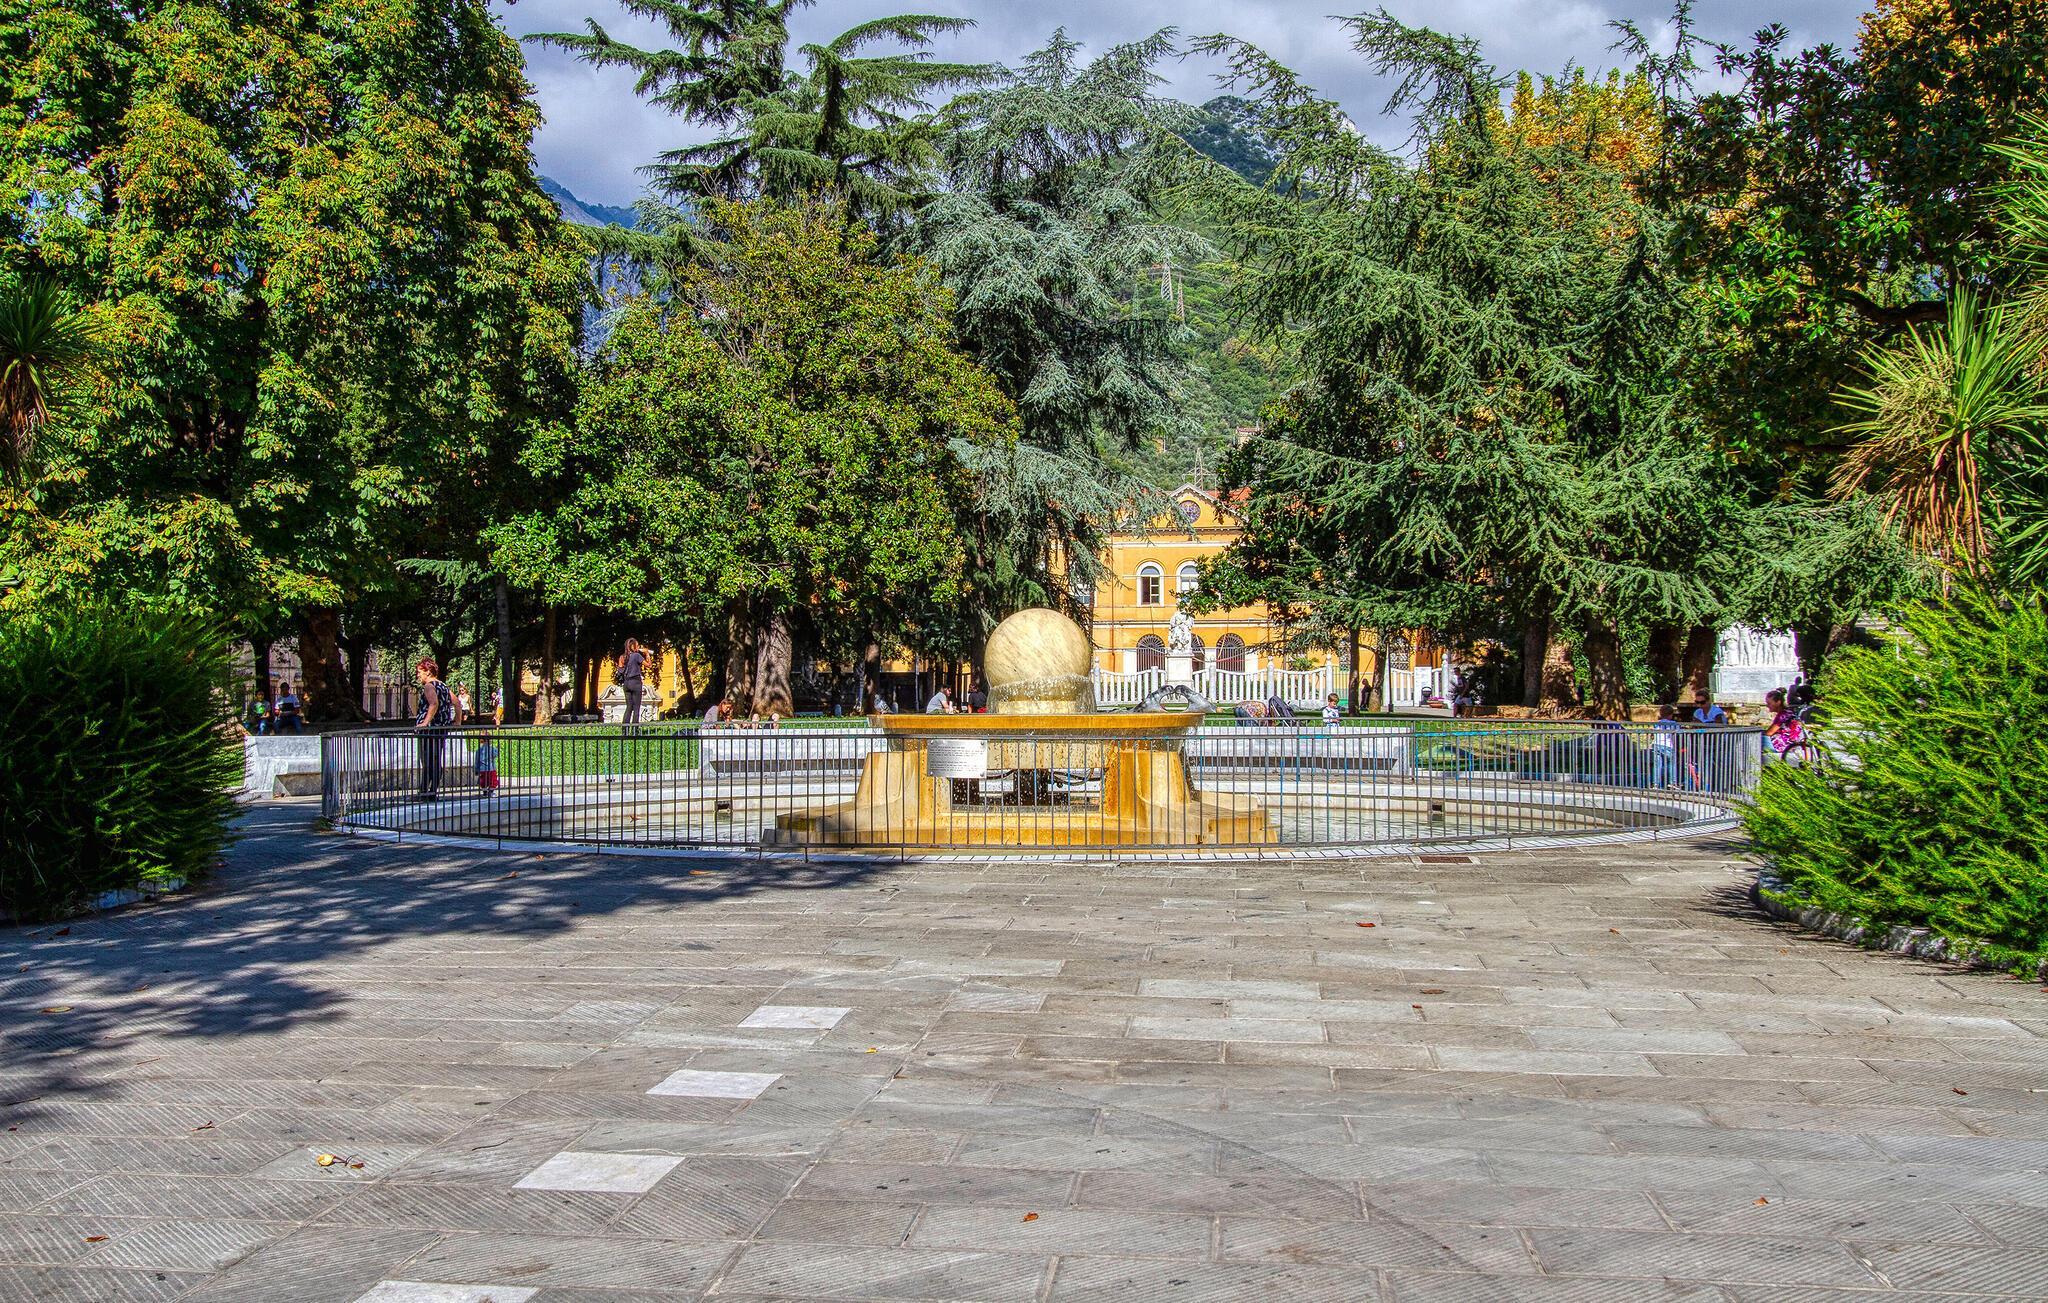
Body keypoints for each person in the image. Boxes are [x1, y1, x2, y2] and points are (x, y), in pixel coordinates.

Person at [413, 658, 457, 799]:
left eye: (419, 672)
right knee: (436, 760)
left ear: (428, 672)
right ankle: (432, 791)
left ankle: (425, 792)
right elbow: (457, 703)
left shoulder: (429, 686)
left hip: (429, 730)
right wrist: (457, 722)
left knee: (427, 761)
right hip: (441, 728)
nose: (418, 675)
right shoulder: (443, 686)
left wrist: (425, 723)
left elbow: (434, 703)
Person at [1764, 688, 1805, 760]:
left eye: (1769, 703)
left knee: (1758, 739)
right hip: (1792, 744)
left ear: (1778, 702)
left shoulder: (1783, 715)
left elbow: (1769, 733)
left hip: (1784, 745)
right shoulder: (1789, 712)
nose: (1767, 705)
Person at [617, 638, 648, 726]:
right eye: (637, 645)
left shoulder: (622, 657)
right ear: (632, 646)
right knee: (636, 708)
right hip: (636, 682)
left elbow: (620, 670)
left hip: (626, 683)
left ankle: (625, 730)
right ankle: (635, 731)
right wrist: (647, 654)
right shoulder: (637, 655)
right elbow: (649, 665)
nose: (638, 647)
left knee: (629, 707)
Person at [1650, 705, 1680, 788]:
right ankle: (1672, 782)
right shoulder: (1673, 724)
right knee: (1672, 763)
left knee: (1657, 764)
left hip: (1656, 744)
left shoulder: (1657, 723)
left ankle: (1655, 783)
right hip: (1668, 745)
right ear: (1671, 715)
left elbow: (1652, 734)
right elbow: (1676, 734)